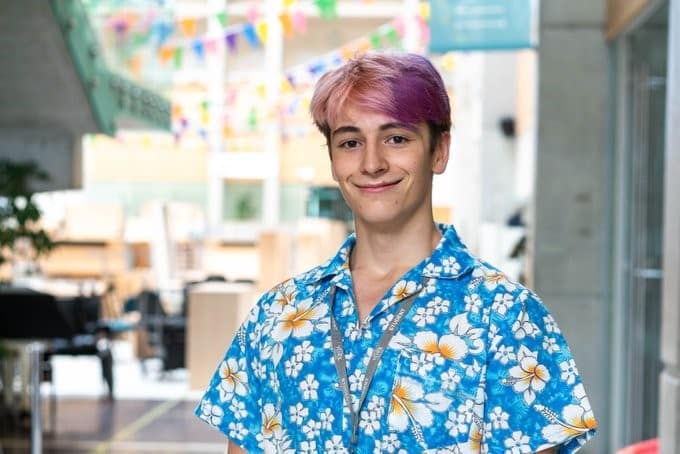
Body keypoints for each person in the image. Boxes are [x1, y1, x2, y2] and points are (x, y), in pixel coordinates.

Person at [196, 52, 597, 454]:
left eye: (396, 139)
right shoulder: (278, 315)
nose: (372, 163)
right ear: (334, 161)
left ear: (439, 151)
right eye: (351, 142)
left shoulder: (507, 317)